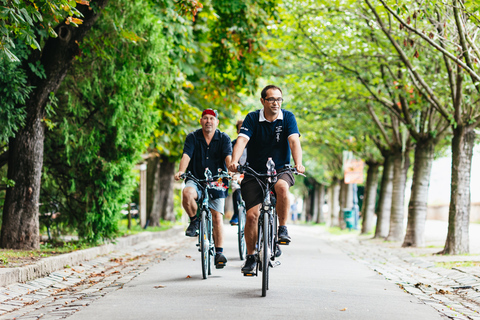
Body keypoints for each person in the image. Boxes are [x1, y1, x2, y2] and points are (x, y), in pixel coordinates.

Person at [229, 85, 305, 274]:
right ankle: (251, 256)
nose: (276, 103)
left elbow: (294, 141)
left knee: (282, 188)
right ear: (263, 101)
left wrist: (298, 163)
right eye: (271, 99)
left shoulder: (288, 117)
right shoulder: (253, 118)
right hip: (255, 171)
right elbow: (242, 141)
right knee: (252, 216)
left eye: (279, 99)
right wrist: (234, 161)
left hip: (281, 168)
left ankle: (282, 229)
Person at [174, 109, 232, 269]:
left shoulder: (224, 138)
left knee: (217, 217)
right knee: (187, 193)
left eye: (211, 118)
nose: (208, 121)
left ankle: (219, 253)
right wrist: (181, 171)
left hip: (217, 180)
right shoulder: (193, 137)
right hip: (195, 178)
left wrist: (231, 170)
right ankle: (194, 221)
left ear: (216, 122)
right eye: (205, 118)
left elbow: (228, 157)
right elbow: (186, 155)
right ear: (201, 121)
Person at [229, 120, 247, 226]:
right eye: (240, 129)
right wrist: (230, 172)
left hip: (251, 172)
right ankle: (236, 214)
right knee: (235, 187)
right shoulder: (232, 144)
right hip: (237, 172)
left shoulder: (253, 143)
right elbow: (229, 159)